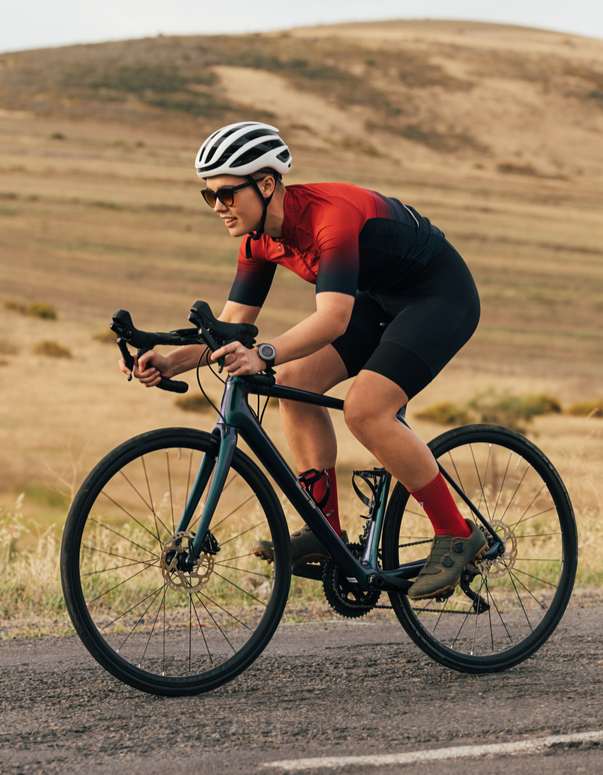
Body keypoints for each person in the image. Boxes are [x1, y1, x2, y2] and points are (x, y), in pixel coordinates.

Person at [121, 121, 483, 599]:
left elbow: (333, 318)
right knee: (294, 381)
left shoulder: (329, 218)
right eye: (209, 197)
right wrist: (170, 361)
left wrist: (261, 354)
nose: (219, 208)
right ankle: (324, 527)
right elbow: (231, 322)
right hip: (377, 297)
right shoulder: (258, 240)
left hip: (438, 297)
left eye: (227, 194)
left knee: (366, 410)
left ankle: (457, 532)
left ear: (267, 184)